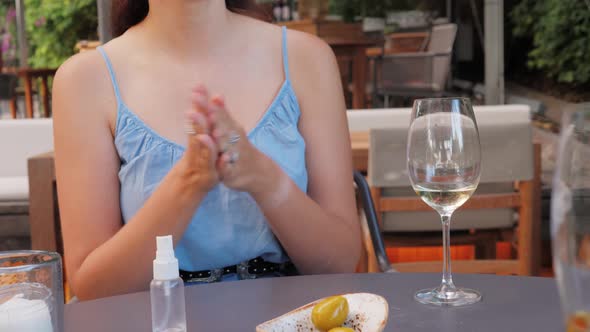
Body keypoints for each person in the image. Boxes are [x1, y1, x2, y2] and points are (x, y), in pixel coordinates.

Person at [52, 0, 360, 301]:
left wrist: (264, 179)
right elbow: (93, 288)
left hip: (295, 319)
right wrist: (189, 183)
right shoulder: (84, 80)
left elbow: (342, 260)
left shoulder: (306, 57)